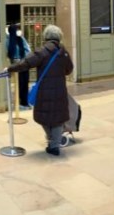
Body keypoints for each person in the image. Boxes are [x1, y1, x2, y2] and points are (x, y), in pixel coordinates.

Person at [6, 25, 74, 156]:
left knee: (44, 116)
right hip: (60, 91)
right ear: (59, 37)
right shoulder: (63, 52)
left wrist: (10, 68)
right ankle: (54, 145)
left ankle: (52, 142)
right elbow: (69, 69)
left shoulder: (42, 51)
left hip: (44, 91)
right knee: (58, 118)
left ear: (46, 36)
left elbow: (26, 63)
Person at [5, 24, 32, 108]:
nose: (17, 31)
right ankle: (19, 102)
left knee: (24, 83)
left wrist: (24, 59)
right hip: (16, 66)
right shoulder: (7, 41)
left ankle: (24, 101)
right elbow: (7, 54)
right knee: (19, 84)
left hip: (24, 64)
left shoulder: (20, 39)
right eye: (16, 29)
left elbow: (28, 49)